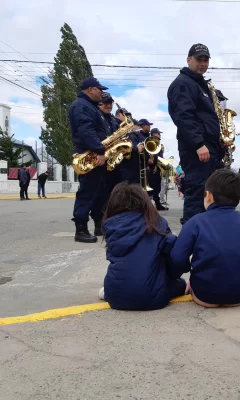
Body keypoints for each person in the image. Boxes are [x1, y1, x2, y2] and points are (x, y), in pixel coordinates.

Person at [169, 169, 240, 308]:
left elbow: (177, 259)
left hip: (204, 295)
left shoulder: (195, 222)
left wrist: (190, 269)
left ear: (208, 196)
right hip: (239, 296)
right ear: (239, 197)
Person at [99, 182, 188, 311]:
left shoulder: (110, 226)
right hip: (153, 298)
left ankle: (112, 290)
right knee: (180, 284)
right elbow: (174, 257)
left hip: (115, 297)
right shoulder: (157, 223)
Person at [168, 43, 222, 225]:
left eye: (206, 60)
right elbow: (183, 117)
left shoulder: (200, 84)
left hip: (208, 147)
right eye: (199, 59)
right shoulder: (183, 84)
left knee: (207, 191)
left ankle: (202, 232)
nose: (203, 63)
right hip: (197, 148)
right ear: (188, 60)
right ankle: (191, 235)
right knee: (197, 191)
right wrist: (199, 144)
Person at [69, 77, 109, 243]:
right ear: (91, 89)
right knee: (87, 193)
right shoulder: (81, 106)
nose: (102, 92)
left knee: (98, 192)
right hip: (90, 155)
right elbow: (86, 131)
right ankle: (81, 230)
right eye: (100, 89)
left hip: (95, 153)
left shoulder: (89, 107)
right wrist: (99, 150)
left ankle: (97, 225)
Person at [147, 128, 168, 211]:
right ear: (154, 134)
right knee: (151, 188)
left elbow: (160, 157)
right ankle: (148, 205)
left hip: (157, 168)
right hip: (151, 168)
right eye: (159, 134)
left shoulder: (159, 144)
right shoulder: (150, 142)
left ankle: (158, 204)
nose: (160, 135)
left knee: (157, 187)